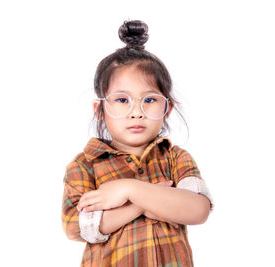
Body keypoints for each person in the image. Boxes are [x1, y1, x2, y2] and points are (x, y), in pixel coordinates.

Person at [61, 19, 214, 267]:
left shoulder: (176, 158)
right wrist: (145, 205)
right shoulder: (84, 165)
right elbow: (76, 227)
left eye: (150, 100)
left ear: (167, 108)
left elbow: (198, 210)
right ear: (99, 109)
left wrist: (129, 190)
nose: (136, 112)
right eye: (122, 100)